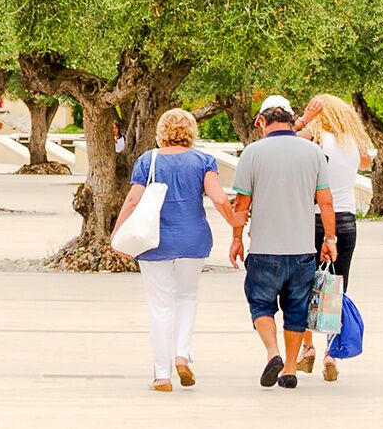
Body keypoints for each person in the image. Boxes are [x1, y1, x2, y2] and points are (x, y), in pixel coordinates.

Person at [227, 95, 338, 390]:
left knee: (260, 304)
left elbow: (241, 204)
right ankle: (289, 370)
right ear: (291, 121)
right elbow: (326, 201)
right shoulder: (313, 152)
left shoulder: (252, 153)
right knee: (297, 309)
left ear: (263, 121)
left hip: (264, 249)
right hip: (302, 250)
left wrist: (236, 239)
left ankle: (272, 352)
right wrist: (330, 239)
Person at [120, 107, 232, 392]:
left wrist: (118, 235)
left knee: (160, 307)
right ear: (191, 131)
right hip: (193, 240)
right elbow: (219, 198)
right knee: (187, 297)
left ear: (162, 132)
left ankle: (162, 376)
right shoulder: (204, 161)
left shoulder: (148, 160)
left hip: (155, 242)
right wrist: (235, 222)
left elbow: (132, 201)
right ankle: (182, 355)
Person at [299, 93, 368, 382]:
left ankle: (307, 348)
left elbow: (281, 142)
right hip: (346, 221)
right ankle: (331, 353)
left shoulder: (314, 139)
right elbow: (366, 162)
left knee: (304, 285)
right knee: (336, 287)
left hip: (314, 218)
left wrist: (303, 120)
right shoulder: (353, 142)